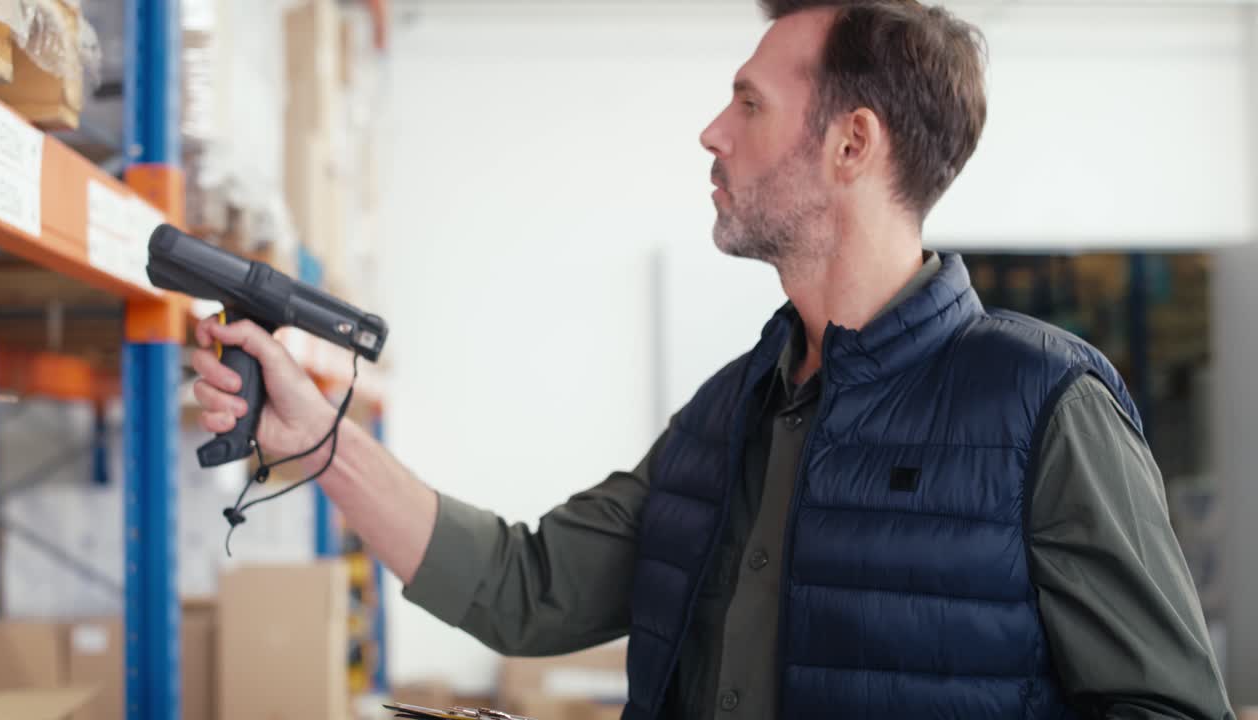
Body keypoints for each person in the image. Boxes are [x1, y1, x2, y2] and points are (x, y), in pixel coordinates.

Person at [189, 1, 1233, 718]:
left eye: (748, 103)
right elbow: (524, 587)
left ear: (852, 144)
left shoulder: (1041, 403)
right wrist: (319, 440)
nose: (710, 133)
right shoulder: (727, 413)